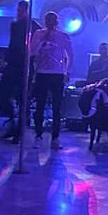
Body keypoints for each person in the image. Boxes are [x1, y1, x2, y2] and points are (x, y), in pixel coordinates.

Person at [30, 10, 73, 149]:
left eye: (52, 21)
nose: (50, 23)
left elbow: (70, 54)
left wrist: (67, 71)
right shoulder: (38, 34)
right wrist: (43, 40)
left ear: (56, 22)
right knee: (40, 105)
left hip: (57, 74)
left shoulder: (63, 36)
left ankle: (55, 137)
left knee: (56, 107)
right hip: (42, 73)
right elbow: (32, 51)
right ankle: (38, 135)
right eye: (48, 20)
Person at [1, 1, 38, 141]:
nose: (19, 12)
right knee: (4, 96)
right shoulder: (16, 25)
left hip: (24, 65)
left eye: (21, 9)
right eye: (18, 9)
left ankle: (18, 130)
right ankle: (13, 125)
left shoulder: (32, 25)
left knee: (23, 99)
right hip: (13, 65)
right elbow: (12, 44)